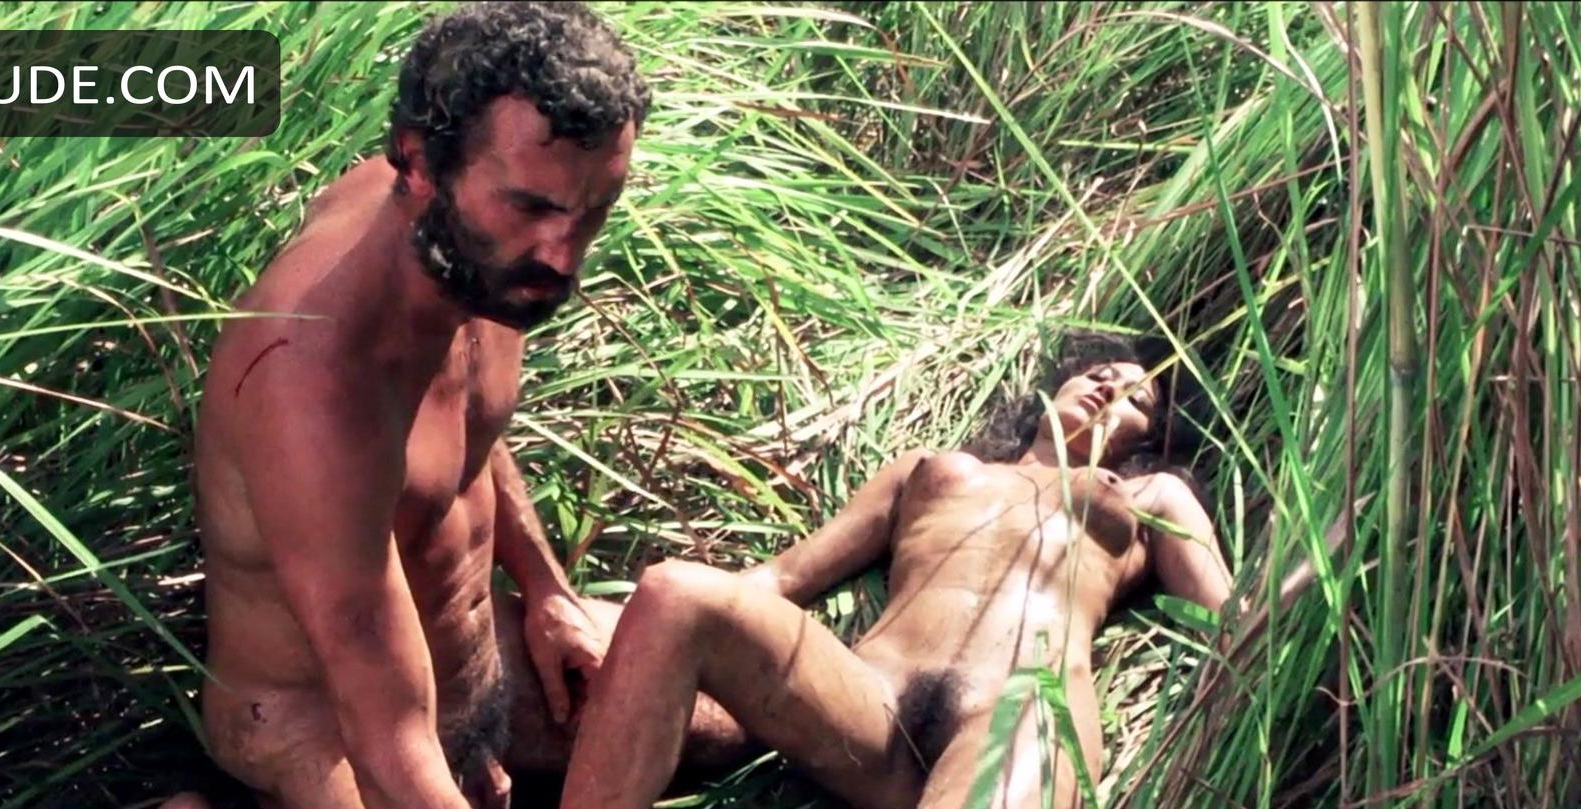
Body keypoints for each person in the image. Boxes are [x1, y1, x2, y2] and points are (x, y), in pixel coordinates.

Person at [173, 4, 743, 808]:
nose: (563, 256)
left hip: (475, 665)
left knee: (735, 710)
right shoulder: (310, 382)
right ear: (417, 162)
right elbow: (384, 719)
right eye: (533, 207)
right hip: (332, 728)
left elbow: (461, 434)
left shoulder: (481, 259)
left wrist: (547, 591)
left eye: (593, 211)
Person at [557, 330, 1239, 809]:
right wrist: (617, 635)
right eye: (1100, 374)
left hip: (1016, 712)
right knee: (676, 590)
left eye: (1135, 398)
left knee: (1023, 728)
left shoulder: (1148, 497)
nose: (1108, 388)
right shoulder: (934, 470)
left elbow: (1234, 623)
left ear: (1149, 439)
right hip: (867, 706)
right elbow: (779, 581)